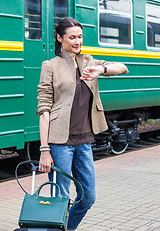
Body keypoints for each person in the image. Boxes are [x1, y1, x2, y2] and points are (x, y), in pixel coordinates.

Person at [36, 17, 129, 231]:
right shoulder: (50, 66)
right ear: (60, 38)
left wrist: (101, 70)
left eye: (80, 37)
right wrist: (44, 149)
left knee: (88, 197)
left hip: (85, 141)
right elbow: (43, 109)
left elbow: (123, 67)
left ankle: (66, 228)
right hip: (60, 144)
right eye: (72, 37)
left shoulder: (89, 61)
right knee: (60, 199)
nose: (77, 42)